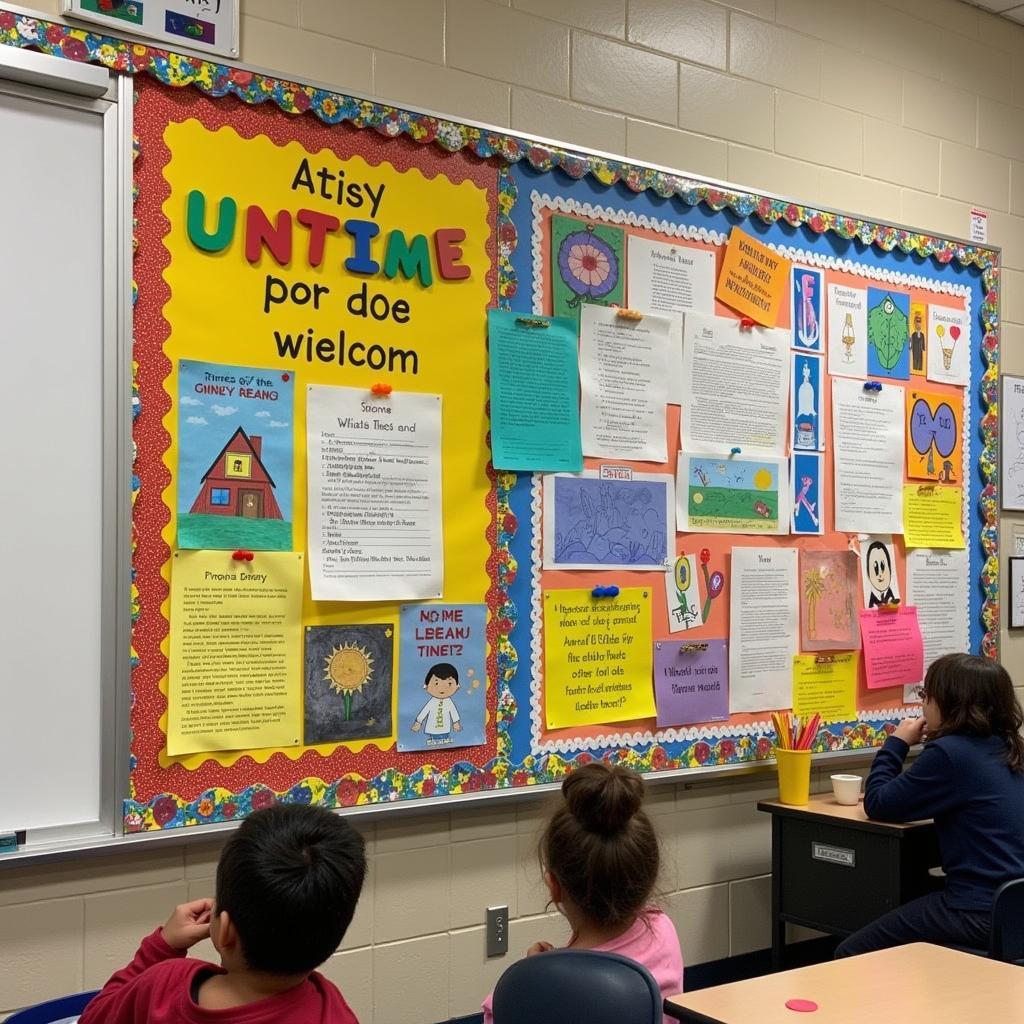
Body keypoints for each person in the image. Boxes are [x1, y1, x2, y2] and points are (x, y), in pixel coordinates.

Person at [80, 803, 368, 1022]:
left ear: (226, 929)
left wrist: (161, 947)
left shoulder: (165, 986)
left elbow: (93, 1017)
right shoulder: (332, 1011)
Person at [835, 653, 1024, 958]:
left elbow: (879, 802)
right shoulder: (1012, 746)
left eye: (926, 695)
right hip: (1014, 907)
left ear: (947, 703)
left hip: (977, 911)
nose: (923, 704)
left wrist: (896, 743)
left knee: (851, 952)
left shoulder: (950, 754)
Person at [482, 762, 683, 1022]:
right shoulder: (662, 931)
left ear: (554, 886)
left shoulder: (523, 985)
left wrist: (538, 971)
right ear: (648, 876)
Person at [410, 662, 462, 742]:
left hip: (445, 728)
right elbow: (424, 711)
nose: (442, 688)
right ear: (426, 686)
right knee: (434, 738)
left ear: (457, 686)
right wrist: (418, 722)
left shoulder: (449, 702)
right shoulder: (432, 702)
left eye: (449, 683)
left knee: (444, 738)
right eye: (436, 683)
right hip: (432, 728)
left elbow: (453, 712)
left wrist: (456, 722)